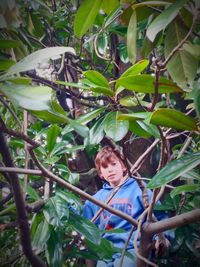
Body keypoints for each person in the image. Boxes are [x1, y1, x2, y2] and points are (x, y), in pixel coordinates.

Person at [83, 146, 170, 267]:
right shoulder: (95, 200)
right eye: (105, 167)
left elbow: (160, 217)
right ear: (100, 173)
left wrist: (161, 238)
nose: (110, 169)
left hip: (133, 248)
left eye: (114, 164)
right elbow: (86, 226)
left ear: (124, 166)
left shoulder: (139, 189)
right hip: (106, 253)